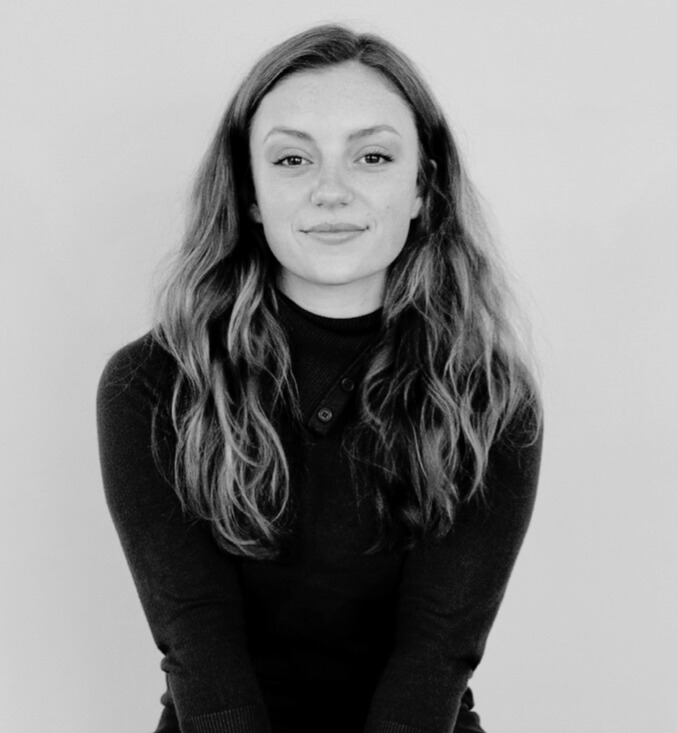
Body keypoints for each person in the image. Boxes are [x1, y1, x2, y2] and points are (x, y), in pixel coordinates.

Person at [96, 23, 543, 733]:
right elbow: (200, 652)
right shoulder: (152, 383)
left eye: (370, 156)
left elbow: (435, 657)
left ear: (423, 185)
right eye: (293, 159)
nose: (330, 191)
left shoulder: (488, 394)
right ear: (249, 193)